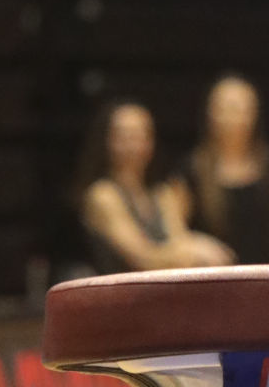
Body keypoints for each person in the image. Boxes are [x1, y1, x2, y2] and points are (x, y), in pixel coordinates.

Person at [78, 101, 232, 273]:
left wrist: (199, 246)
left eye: (140, 135)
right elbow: (141, 257)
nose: (133, 145)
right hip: (118, 293)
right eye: (124, 136)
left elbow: (178, 241)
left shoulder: (162, 193)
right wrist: (194, 249)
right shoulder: (102, 194)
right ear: (107, 140)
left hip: (161, 292)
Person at [172, 76, 269, 265]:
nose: (233, 118)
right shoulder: (191, 169)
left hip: (265, 281)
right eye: (225, 109)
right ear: (210, 114)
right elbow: (172, 228)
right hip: (210, 283)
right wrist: (195, 243)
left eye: (240, 109)